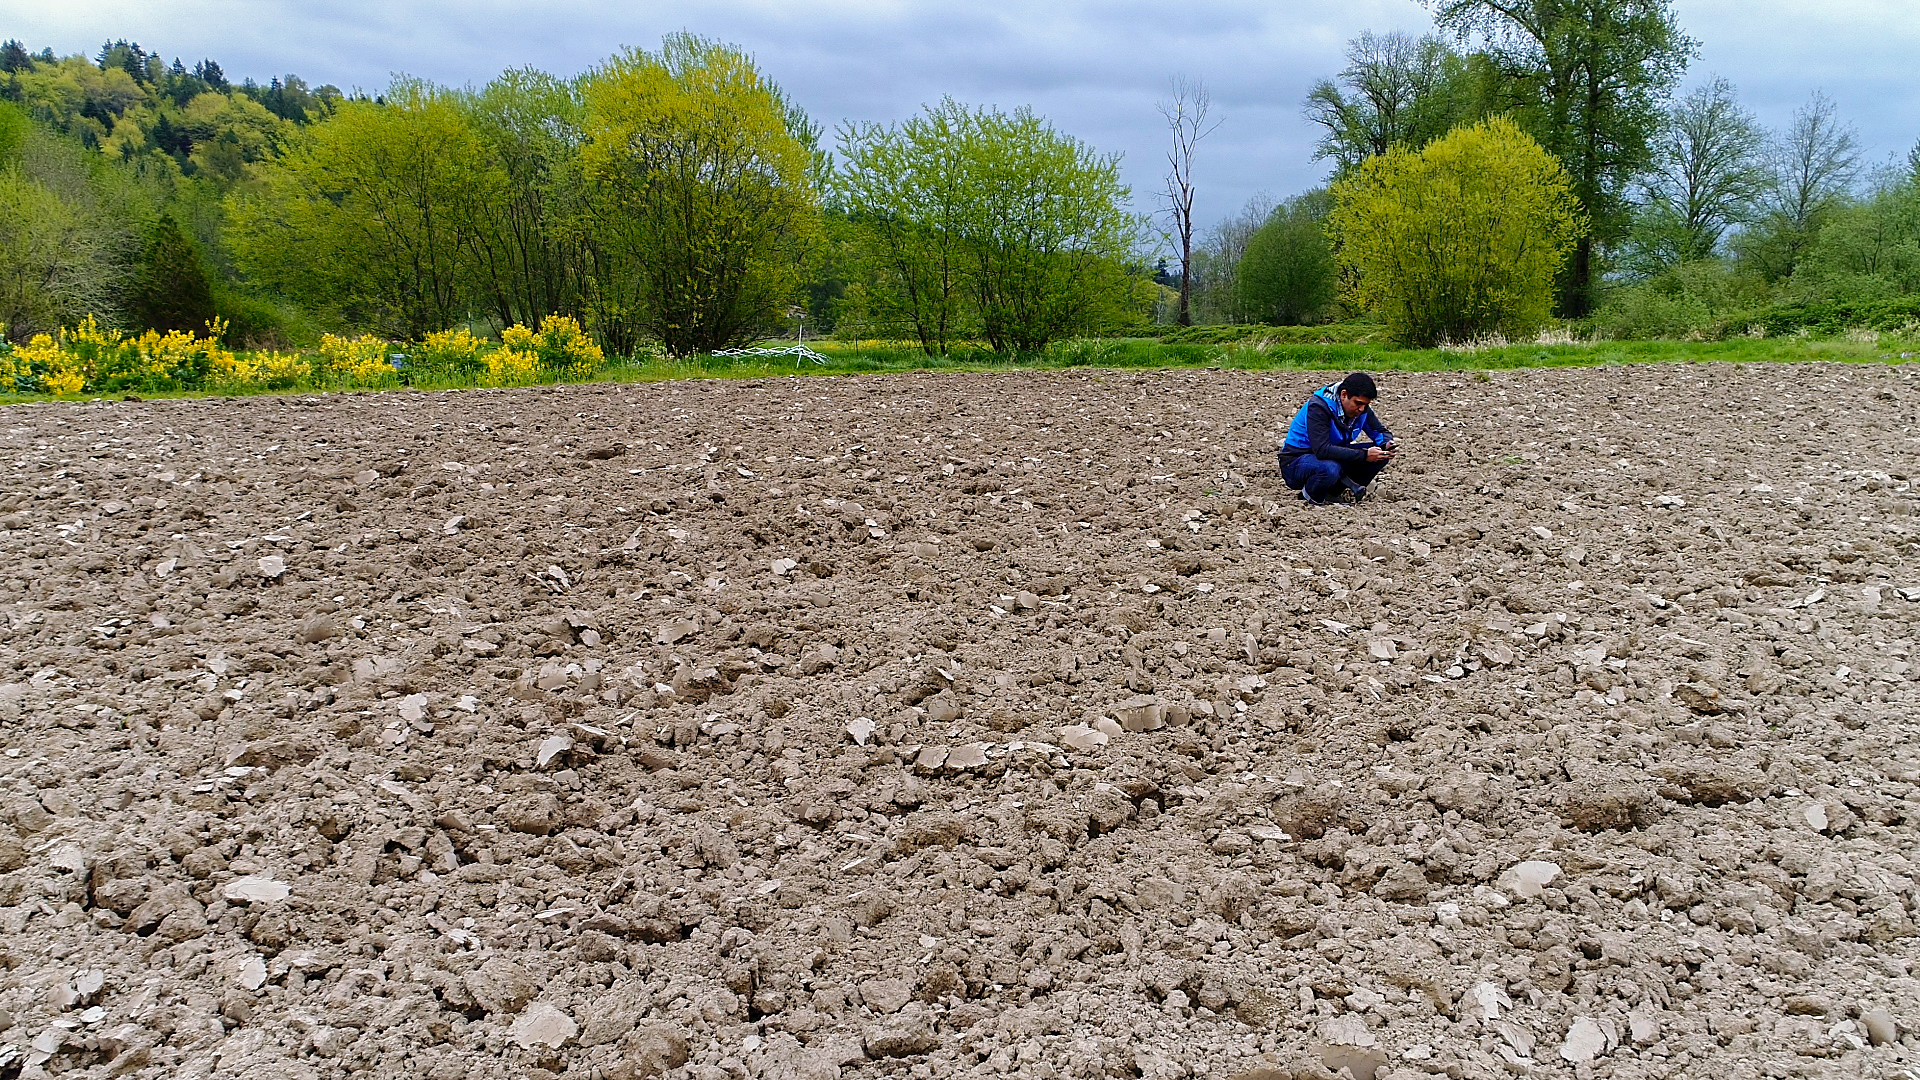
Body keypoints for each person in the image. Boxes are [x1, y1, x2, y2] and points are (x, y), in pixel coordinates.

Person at [1278, 372, 1397, 504]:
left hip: (1329, 455)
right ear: (1344, 395)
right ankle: (1310, 496)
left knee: (1380, 454)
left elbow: (1380, 432)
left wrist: (1387, 444)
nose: (1362, 409)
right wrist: (1363, 455)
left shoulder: (1361, 410)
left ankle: (1334, 493)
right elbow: (1322, 449)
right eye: (1358, 403)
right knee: (1330, 468)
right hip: (1296, 460)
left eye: (1366, 405)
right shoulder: (1319, 407)